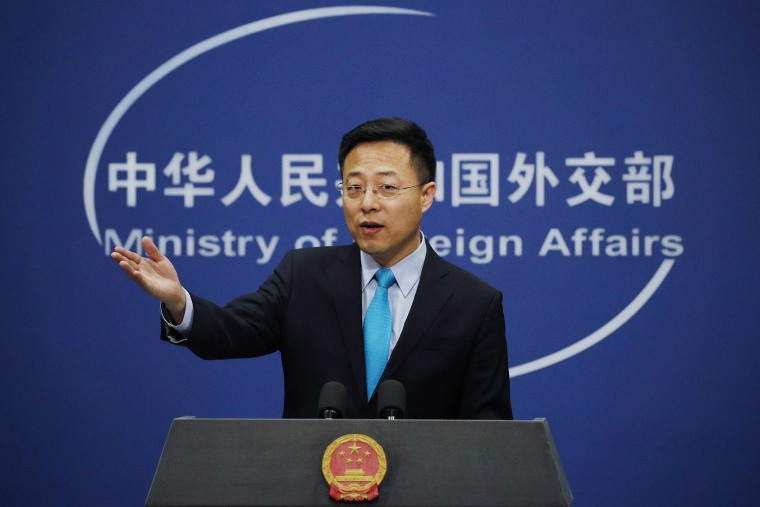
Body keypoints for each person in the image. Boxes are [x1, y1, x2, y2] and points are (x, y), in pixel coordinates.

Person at [112, 117, 512, 419]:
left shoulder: (473, 303)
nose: (367, 203)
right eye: (353, 187)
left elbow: (488, 432)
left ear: (426, 196)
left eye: (387, 187)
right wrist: (179, 302)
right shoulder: (303, 275)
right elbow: (232, 333)